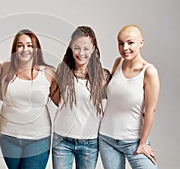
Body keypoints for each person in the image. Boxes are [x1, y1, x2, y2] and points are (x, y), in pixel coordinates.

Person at [99, 25, 160, 169]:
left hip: (134, 140)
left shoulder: (149, 72)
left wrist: (143, 142)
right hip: (106, 138)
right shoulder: (118, 62)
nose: (125, 48)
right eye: (121, 43)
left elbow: (151, 110)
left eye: (130, 42)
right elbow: (112, 97)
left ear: (141, 43)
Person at [52, 26, 110, 169]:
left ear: (93, 49)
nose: (81, 53)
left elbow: (117, 101)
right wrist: (68, 107)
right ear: (71, 47)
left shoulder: (103, 76)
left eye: (86, 48)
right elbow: (54, 96)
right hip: (62, 140)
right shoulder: (63, 70)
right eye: (77, 48)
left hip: (89, 142)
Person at [0, 29, 57, 169]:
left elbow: (62, 102)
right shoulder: (5, 69)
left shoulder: (48, 72)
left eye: (30, 45)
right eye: (20, 45)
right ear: (15, 49)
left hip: (38, 138)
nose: (25, 49)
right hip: (8, 136)